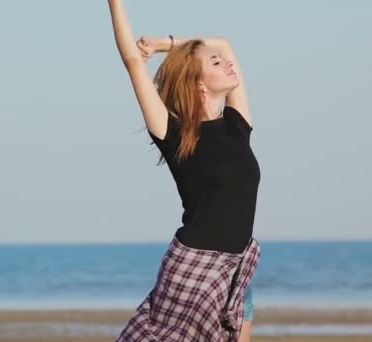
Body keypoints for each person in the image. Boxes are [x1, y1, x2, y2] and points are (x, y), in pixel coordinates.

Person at [107, 1, 261, 341]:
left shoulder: (238, 125)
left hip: (236, 272)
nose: (228, 62)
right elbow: (133, 62)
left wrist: (165, 43)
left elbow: (223, 43)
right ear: (200, 84)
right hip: (193, 270)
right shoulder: (174, 134)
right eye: (216, 64)